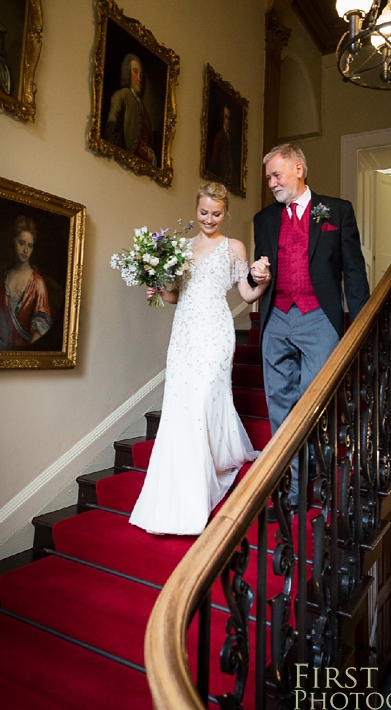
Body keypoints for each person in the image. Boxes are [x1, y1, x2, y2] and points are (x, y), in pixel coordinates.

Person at [129, 181, 271, 535]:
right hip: (184, 332)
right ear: (196, 209)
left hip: (215, 331)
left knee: (205, 396)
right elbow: (175, 296)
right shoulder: (179, 247)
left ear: (225, 213)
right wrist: (159, 286)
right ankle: (176, 487)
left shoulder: (234, 246)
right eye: (204, 212)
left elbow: (248, 294)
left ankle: (200, 484)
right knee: (182, 404)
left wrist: (263, 280)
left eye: (217, 213)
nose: (209, 219)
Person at [250, 143, 370, 508]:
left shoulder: (336, 211)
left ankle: (312, 467)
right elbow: (261, 273)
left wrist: (361, 321)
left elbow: (353, 271)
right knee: (278, 403)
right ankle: (290, 487)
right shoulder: (264, 219)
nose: (271, 182)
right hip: (276, 316)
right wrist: (256, 275)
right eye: (268, 176)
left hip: (319, 315)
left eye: (276, 174)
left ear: (299, 168)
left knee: (312, 399)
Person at [0, 215, 52, 350]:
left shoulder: (37, 282)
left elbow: (41, 325)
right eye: (21, 243)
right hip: (2, 349)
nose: (25, 250)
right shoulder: (3, 279)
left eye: (30, 246)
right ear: (13, 242)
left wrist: (26, 355)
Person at [104, 53, 157, 166]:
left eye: (141, 75)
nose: (139, 79)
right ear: (127, 73)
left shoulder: (143, 107)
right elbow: (110, 127)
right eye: (135, 72)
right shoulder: (122, 95)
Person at [209, 105, 234, 183]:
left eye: (229, 118)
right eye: (226, 117)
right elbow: (215, 157)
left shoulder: (228, 135)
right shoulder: (220, 135)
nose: (228, 121)